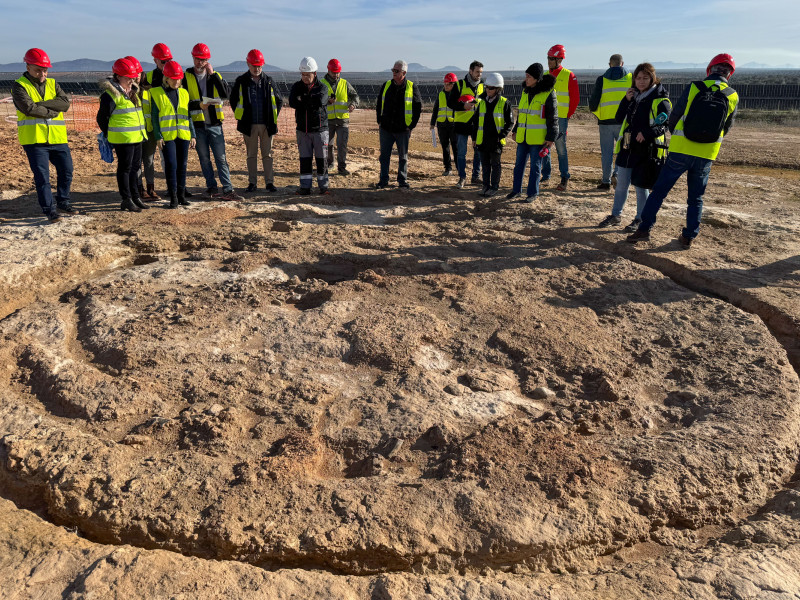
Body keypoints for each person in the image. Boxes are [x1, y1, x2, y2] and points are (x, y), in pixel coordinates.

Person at [627, 54, 739, 248]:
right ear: (729, 74)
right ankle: (688, 237)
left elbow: (675, 115)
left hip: (680, 150)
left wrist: (678, 135)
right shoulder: (732, 95)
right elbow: (726, 128)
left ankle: (644, 229)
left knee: (659, 191)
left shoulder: (695, 87)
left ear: (709, 69)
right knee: (696, 198)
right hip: (706, 155)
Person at [597, 63, 671, 232]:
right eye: (638, 78)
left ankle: (639, 219)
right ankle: (616, 215)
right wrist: (625, 100)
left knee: (641, 186)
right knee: (621, 184)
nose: (641, 81)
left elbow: (665, 124)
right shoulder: (634, 97)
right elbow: (618, 116)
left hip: (646, 150)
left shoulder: (660, 99)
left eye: (645, 78)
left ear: (652, 78)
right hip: (627, 147)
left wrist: (646, 133)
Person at [12, 48, 77, 222]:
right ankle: (49, 210)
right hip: (35, 140)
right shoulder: (19, 86)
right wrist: (50, 112)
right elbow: (29, 108)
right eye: (38, 70)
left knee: (67, 170)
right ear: (28, 66)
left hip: (57, 138)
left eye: (45, 70)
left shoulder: (53, 83)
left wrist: (42, 105)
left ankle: (63, 201)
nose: (43, 74)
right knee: (42, 177)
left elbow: (64, 104)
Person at [182, 43, 242, 201]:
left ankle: (228, 189)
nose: (200, 62)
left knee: (221, 158)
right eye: (197, 59)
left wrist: (213, 74)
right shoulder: (186, 77)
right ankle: (211, 187)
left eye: (203, 60)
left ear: (208, 60)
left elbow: (225, 94)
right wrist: (199, 105)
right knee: (204, 158)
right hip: (198, 125)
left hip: (215, 124)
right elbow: (183, 101)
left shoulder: (215, 75)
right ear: (193, 57)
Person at [96, 58, 149, 212]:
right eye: (128, 77)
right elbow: (102, 118)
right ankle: (126, 199)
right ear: (118, 76)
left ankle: (135, 196)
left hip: (137, 137)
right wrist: (109, 133)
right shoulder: (110, 95)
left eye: (132, 77)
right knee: (125, 168)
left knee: (135, 168)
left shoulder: (133, 92)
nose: (131, 80)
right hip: (123, 139)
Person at [230, 49, 283, 194]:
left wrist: (273, 117)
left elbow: (279, 101)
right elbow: (233, 100)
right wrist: (241, 116)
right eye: (254, 65)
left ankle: (269, 183)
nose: (257, 68)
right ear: (248, 64)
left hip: (267, 126)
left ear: (263, 64)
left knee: (268, 155)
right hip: (249, 125)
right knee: (251, 155)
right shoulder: (241, 81)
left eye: (259, 65)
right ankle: (252, 183)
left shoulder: (269, 81)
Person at [506, 63, 557, 202]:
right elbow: (522, 114)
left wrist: (551, 138)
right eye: (526, 76)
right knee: (518, 166)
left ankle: (532, 193)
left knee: (535, 167)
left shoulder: (548, 93)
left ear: (537, 78)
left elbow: (553, 118)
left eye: (529, 76)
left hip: (538, 139)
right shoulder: (525, 91)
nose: (526, 79)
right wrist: (515, 130)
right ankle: (516, 190)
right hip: (523, 137)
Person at [150, 60, 196, 208]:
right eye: (173, 79)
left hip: (183, 135)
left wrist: (193, 134)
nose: (176, 82)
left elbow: (188, 116)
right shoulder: (156, 93)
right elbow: (155, 117)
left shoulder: (184, 93)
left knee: (182, 165)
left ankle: (182, 196)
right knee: (171, 165)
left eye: (178, 79)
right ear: (166, 78)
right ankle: (173, 197)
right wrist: (158, 136)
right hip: (167, 136)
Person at [375, 60, 422, 189]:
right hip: (386, 128)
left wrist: (411, 126)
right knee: (384, 156)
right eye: (393, 70)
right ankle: (383, 180)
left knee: (403, 157)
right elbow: (379, 104)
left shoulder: (412, 87)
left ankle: (402, 180)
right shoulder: (386, 85)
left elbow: (418, 108)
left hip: (402, 129)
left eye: (397, 71)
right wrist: (379, 120)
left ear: (404, 73)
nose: (394, 73)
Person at [288, 57, 330, 195]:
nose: (305, 77)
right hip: (302, 130)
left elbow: (320, 102)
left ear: (315, 73)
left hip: (319, 130)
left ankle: (323, 187)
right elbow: (293, 102)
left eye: (308, 74)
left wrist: (303, 99)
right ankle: (305, 187)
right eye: (303, 74)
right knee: (305, 160)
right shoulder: (296, 87)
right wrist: (309, 100)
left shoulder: (322, 87)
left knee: (321, 160)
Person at [540, 44, 578, 191]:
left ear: (559, 59)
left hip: (561, 118)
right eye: (548, 58)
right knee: (544, 145)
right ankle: (546, 175)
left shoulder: (569, 75)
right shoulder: (544, 76)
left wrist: (567, 116)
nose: (549, 61)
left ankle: (564, 177)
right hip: (544, 117)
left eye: (552, 58)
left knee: (561, 149)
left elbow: (574, 99)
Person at [589, 54, 630, 190]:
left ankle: (606, 181)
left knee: (606, 153)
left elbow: (594, 102)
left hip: (605, 122)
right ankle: (617, 174)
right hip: (624, 122)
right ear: (622, 64)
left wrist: (595, 111)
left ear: (609, 64)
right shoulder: (631, 78)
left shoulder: (601, 79)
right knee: (622, 151)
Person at [140, 43, 174, 200]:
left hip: (168, 122)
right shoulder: (149, 77)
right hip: (153, 122)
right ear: (155, 60)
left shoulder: (174, 73)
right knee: (148, 158)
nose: (166, 64)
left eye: (168, 60)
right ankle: (143, 189)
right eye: (163, 61)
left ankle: (172, 187)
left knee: (169, 157)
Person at [472, 72, 512, 197]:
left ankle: (494, 187)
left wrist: (501, 136)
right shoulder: (482, 103)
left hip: (496, 141)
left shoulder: (504, 103)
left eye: (491, 88)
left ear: (498, 89)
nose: (488, 90)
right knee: (485, 165)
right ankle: (485, 186)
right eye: (487, 87)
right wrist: (474, 138)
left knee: (495, 165)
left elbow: (510, 122)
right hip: (482, 140)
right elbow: (475, 121)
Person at [447, 60, 484, 188]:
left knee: (478, 152)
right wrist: (463, 106)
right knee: (461, 153)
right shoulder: (460, 85)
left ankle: (476, 177)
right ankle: (462, 178)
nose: (479, 74)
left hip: (477, 125)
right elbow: (450, 103)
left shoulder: (483, 86)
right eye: (477, 72)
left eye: (481, 72)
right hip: (462, 124)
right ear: (470, 71)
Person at [322, 59, 359, 176]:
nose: (336, 74)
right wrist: (326, 101)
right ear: (328, 70)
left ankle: (342, 168)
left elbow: (355, 96)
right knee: (328, 144)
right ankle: (330, 164)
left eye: (338, 72)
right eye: (334, 72)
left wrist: (353, 104)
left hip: (343, 120)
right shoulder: (322, 83)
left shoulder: (344, 83)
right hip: (328, 120)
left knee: (342, 144)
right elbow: (317, 99)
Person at [430, 72, 458, 176]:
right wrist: (432, 123)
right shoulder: (440, 94)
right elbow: (436, 109)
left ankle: (459, 168)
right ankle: (448, 168)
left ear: (453, 85)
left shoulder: (457, 95)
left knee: (456, 147)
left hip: (453, 125)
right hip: (441, 125)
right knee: (445, 148)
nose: (446, 86)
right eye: (445, 84)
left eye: (449, 84)